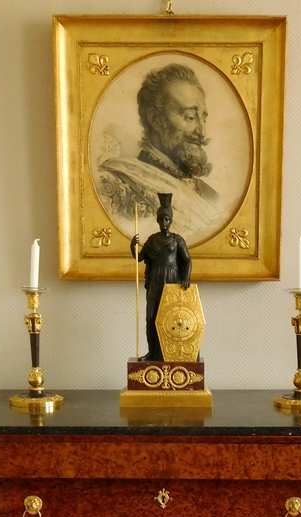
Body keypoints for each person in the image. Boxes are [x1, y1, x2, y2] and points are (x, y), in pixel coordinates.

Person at [99, 63, 223, 237]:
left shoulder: (211, 196)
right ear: (155, 119)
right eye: (189, 117)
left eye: (202, 118)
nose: (202, 132)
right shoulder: (118, 183)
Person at [131, 193, 191, 362]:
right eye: (161, 220)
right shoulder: (152, 240)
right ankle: (152, 352)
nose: (164, 223)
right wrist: (132, 247)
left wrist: (186, 278)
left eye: (166, 219)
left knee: (169, 318)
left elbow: (187, 261)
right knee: (151, 317)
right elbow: (140, 258)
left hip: (172, 280)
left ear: (171, 221)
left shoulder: (177, 240)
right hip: (155, 281)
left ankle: (169, 353)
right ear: (157, 221)